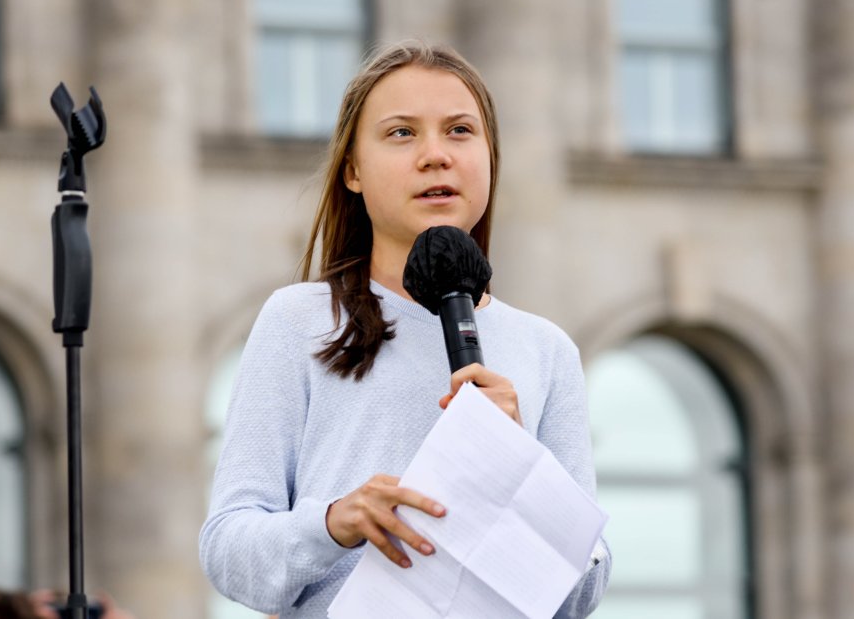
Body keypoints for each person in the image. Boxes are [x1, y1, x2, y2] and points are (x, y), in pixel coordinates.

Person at [198, 40, 610, 617]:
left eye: (461, 131)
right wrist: (334, 521)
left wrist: (519, 467)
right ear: (353, 170)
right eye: (401, 133)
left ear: (490, 158)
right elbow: (229, 551)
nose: (436, 155)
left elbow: (582, 594)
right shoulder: (300, 321)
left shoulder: (546, 350)